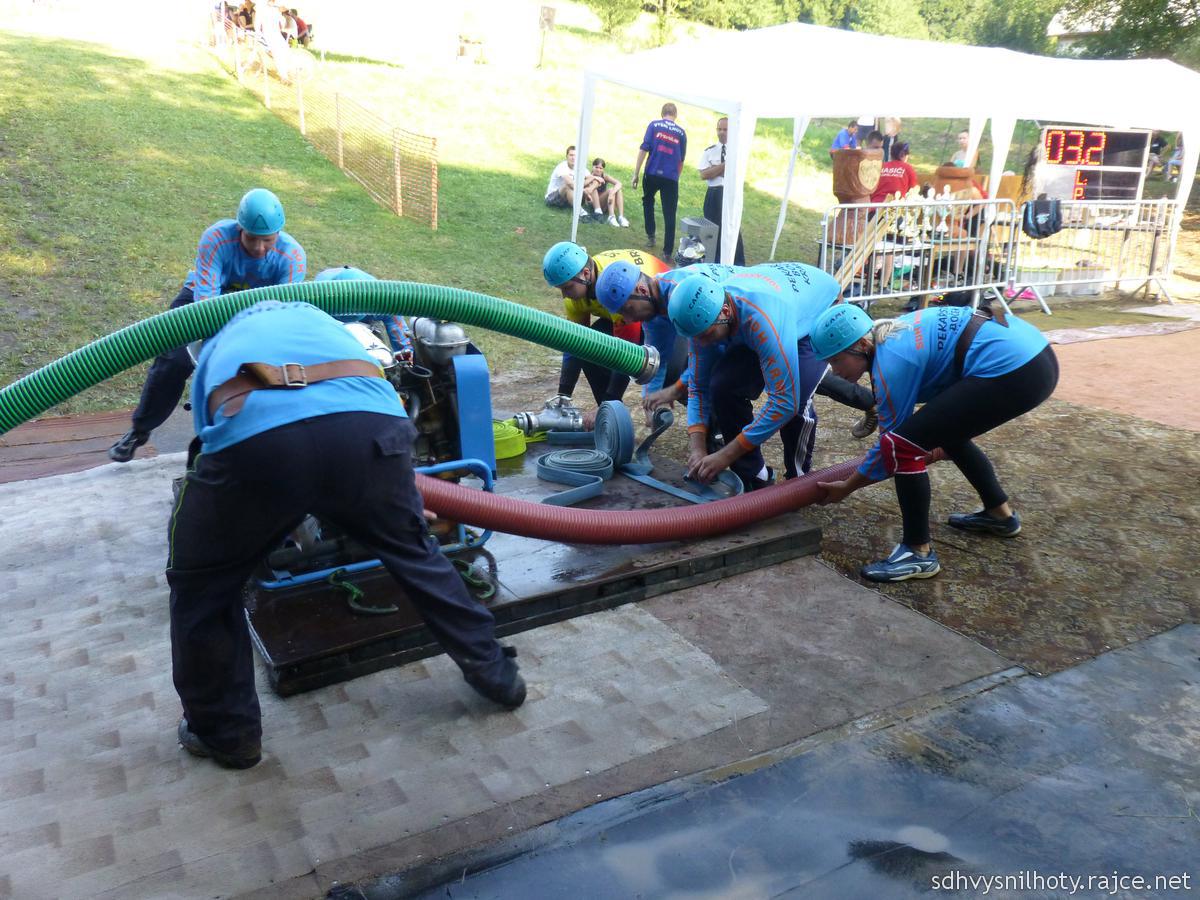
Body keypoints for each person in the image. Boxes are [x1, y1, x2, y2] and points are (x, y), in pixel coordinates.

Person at [169, 298, 525, 769]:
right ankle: (498, 675)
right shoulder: (319, 319)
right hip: (370, 428)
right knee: (415, 552)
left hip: (260, 439)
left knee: (203, 584)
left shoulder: (219, 346)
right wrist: (391, 500)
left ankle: (227, 736)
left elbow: (210, 445)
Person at [812, 304, 1058, 582]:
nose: (834, 371)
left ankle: (918, 552)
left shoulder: (892, 363)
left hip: (1016, 369)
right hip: (1035, 353)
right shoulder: (892, 333)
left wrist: (847, 487)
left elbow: (890, 446)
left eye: (837, 360)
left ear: (862, 345)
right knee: (941, 430)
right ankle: (1000, 515)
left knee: (902, 445)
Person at [108, 189, 306, 463]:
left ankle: (235, 444)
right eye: (251, 238)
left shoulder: (292, 257)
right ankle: (140, 430)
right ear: (239, 229)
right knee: (173, 361)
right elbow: (206, 303)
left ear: (279, 234)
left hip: (257, 314)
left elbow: (281, 317)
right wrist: (215, 350)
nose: (259, 248)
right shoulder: (216, 239)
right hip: (204, 302)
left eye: (268, 240)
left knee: (250, 372)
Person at [594, 261, 879, 440]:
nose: (627, 319)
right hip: (739, 322)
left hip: (779, 309)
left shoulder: (687, 294)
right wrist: (653, 399)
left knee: (798, 384)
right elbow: (659, 358)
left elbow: (706, 360)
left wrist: (676, 389)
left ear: (642, 292)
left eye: (627, 310)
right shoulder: (657, 312)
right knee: (726, 381)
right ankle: (724, 440)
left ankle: (870, 404)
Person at [667, 269, 843, 491]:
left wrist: (725, 455)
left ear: (724, 312)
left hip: (816, 314)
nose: (702, 343)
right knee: (722, 386)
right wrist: (698, 449)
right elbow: (698, 388)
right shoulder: (704, 322)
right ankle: (754, 475)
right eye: (695, 337)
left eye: (706, 335)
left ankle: (798, 481)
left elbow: (784, 403)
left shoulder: (760, 319)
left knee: (798, 402)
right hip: (774, 309)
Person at [541, 242, 671, 407]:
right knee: (588, 349)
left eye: (567, 288)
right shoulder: (577, 294)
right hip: (630, 311)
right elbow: (574, 345)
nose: (564, 296)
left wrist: (609, 399)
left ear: (585, 274)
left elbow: (627, 353)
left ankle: (610, 410)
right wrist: (563, 396)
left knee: (667, 369)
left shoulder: (614, 288)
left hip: (653, 307)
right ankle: (609, 414)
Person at [632, 102, 687, 259]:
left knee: (648, 201)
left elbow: (644, 148)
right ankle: (667, 252)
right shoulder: (681, 133)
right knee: (670, 212)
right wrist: (676, 177)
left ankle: (651, 236)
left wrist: (636, 173)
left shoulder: (654, 125)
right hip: (671, 177)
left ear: (662, 113)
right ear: (675, 115)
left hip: (652, 172)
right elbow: (681, 160)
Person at [697, 117, 746, 266]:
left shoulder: (737, 152)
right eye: (719, 129)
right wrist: (725, 165)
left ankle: (737, 263)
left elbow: (736, 174)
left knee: (731, 227)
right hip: (714, 193)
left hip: (730, 193)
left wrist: (714, 170)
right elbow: (704, 174)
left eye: (725, 129)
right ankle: (714, 261)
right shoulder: (710, 151)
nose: (722, 132)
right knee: (713, 228)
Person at [545, 145, 604, 221]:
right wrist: (585, 188)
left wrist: (590, 188)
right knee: (567, 186)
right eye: (571, 155)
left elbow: (597, 181)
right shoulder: (562, 167)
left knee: (592, 184)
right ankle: (581, 213)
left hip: (571, 198)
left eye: (575, 155)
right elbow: (571, 184)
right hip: (554, 197)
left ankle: (598, 212)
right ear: (567, 156)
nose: (573, 158)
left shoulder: (581, 167)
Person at [590, 158, 630, 227]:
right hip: (594, 204)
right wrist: (611, 192)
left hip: (606, 203)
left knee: (618, 190)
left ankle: (621, 217)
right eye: (596, 167)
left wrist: (612, 194)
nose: (598, 170)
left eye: (601, 168)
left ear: (603, 169)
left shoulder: (604, 176)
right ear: (592, 167)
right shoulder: (589, 176)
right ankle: (611, 217)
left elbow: (619, 183)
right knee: (611, 190)